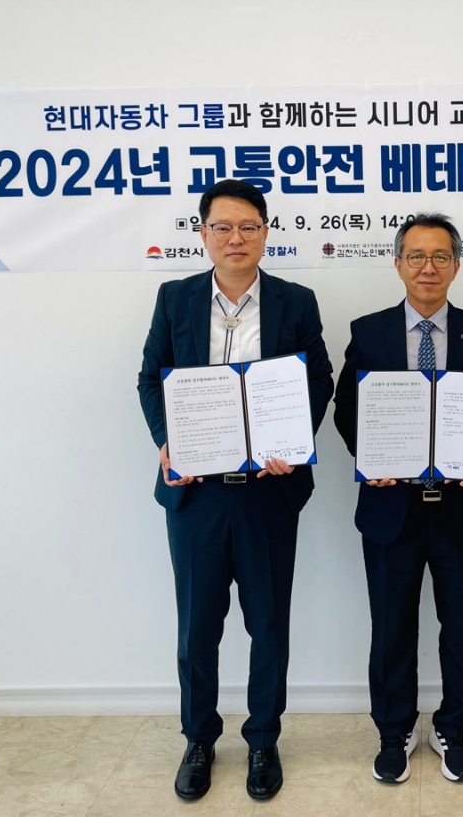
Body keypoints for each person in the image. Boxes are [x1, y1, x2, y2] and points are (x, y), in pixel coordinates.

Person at [137, 179, 334, 803]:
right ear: (202, 234)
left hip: (266, 492)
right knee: (198, 627)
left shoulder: (295, 301)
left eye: (248, 226)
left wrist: (293, 440)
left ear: (265, 232)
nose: (235, 238)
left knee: (268, 623)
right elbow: (150, 378)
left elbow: (320, 380)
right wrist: (168, 441)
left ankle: (263, 739)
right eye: (222, 227)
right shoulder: (175, 298)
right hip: (196, 493)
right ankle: (199, 739)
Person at [332, 214, 463, 785]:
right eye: (416, 256)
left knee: (460, 627)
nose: (428, 267)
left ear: (456, 265)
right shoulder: (369, 331)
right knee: (391, 626)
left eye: (440, 256)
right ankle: (394, 731)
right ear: (398, 264)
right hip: (391, 508)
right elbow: (347, 408)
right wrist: (371, 459)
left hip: (460, 508)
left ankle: (455, 728)